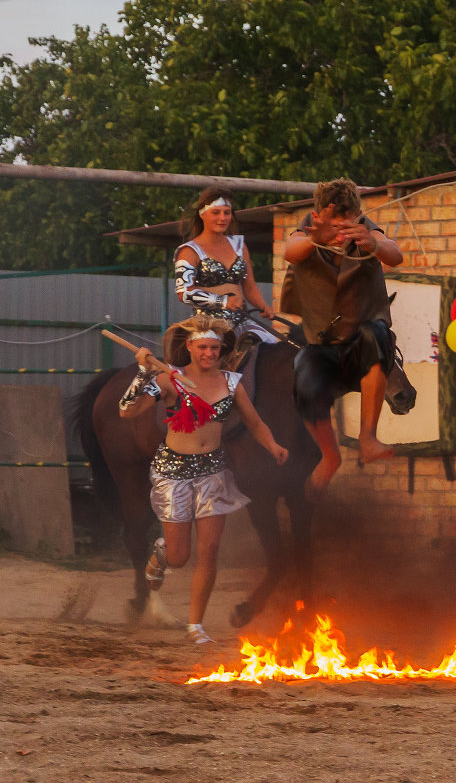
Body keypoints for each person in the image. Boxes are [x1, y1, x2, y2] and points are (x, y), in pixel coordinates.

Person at [118, 314, 289, 645]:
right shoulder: (170, 379)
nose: (210, 353)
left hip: (213, 472)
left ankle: (195, 625)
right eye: (203, 347)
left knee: (209, 550)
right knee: (181, 557)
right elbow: (127, 410)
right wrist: (142, 372)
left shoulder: (231, 382)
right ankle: (164, 550)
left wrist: (273, 445)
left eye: (215, 347)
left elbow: (254, 422)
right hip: (173, 473)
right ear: (190, 347)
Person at [282, 178, 404, 495]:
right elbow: (291, 252)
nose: (339, 232)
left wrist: (373, 244)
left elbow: (395, 254)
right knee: (303, 381)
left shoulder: (365, 229)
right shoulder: (307, 229)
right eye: (332, 223)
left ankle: (368, 439)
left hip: (360, 346)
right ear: (319, 214)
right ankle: (329, 456)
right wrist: (315, 240)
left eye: (345, 224)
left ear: (356, 216)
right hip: (322, 347)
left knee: (375, 333)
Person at [174, 187, 279, 358]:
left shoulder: (239, 246)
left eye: (227, 212)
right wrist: (223, 301)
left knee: (272, 348)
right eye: (216, 212)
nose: (222, 218)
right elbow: (183, 293)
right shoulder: (189, 251)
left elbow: (249, 286)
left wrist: (263, 306)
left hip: (242, 321)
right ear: (202, 214)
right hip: (207, 325)